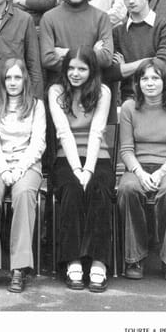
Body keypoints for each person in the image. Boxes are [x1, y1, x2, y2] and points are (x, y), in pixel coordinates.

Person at [0, 59, 46, 293]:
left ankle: (19, 267)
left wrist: (20, 168)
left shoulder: (37, 106)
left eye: (17, 77)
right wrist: (4, 169)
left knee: (24, 193)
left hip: (27, 163)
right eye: (8, 78)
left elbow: (38, 143)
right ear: (2, 81)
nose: (13, 82)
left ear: (25, 80)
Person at [48, 46, 113, 292]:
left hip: (98, 156)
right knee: (71, 189)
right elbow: (63, 131)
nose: (75, 74)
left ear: (92, 70)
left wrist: (88, 170)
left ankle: (99, 261)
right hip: (66, 156)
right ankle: (72, 260)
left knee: (100, 190)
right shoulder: (56, 91)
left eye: (82, 69)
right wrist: (77, 169)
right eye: (71, 68)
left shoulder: (103, 91)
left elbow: (97, 131)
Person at [117, 58, 166, 282]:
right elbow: (126, 150)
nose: (149, 83)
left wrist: (161, 172)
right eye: (144, 78)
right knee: (128, 189)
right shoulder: (129, 107)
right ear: (137, 83)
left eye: (155, 78)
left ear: (164, 81)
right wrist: (140, 173)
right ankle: (135, 258)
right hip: (137, 167)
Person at [107, 0, 166, 101]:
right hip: (130, 102)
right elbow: (111, 73)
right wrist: (151, 60)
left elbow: (163, 64)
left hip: (163, 102)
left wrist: (125, 68)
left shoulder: (165, 27)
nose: (131, 1)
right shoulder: (117, 33)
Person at [39, 0, 113, 88]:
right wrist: (91, 54)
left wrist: (66, 53)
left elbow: (106, 59)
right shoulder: (49, 18)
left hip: (92, 89)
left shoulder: (101, 18)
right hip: (59, 88)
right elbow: (47, 59)